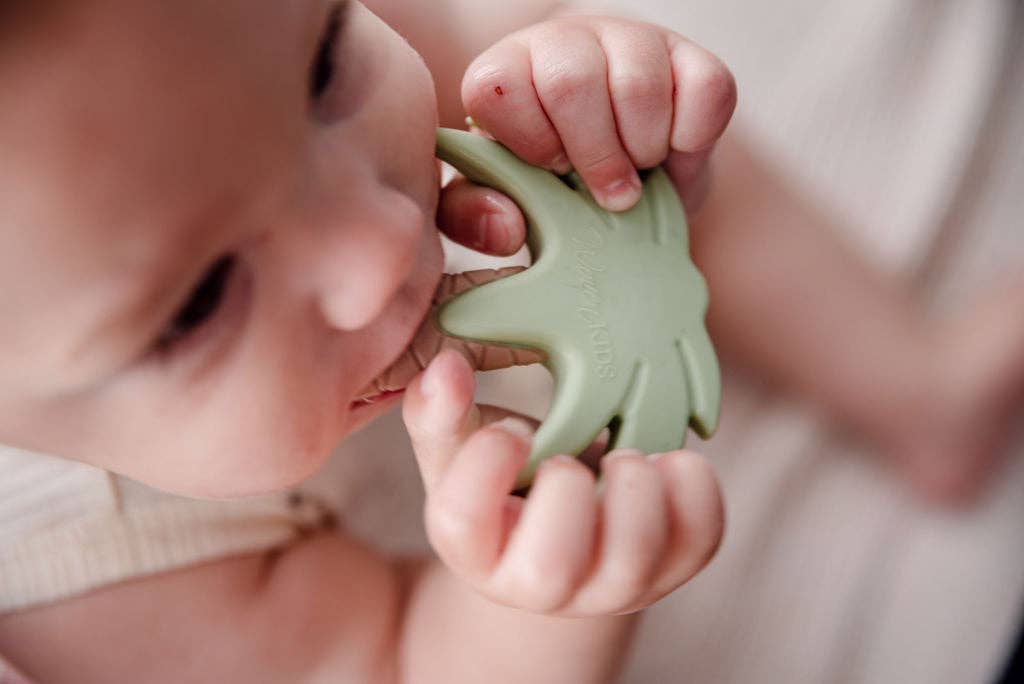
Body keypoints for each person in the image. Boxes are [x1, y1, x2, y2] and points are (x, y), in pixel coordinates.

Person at [0, 1, 737, 681]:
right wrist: (542, 599)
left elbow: (521, 47)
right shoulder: (98, 574)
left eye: (323, 67)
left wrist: (597, 104)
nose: (381, 246)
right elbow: (400, 666)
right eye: (200, 300)